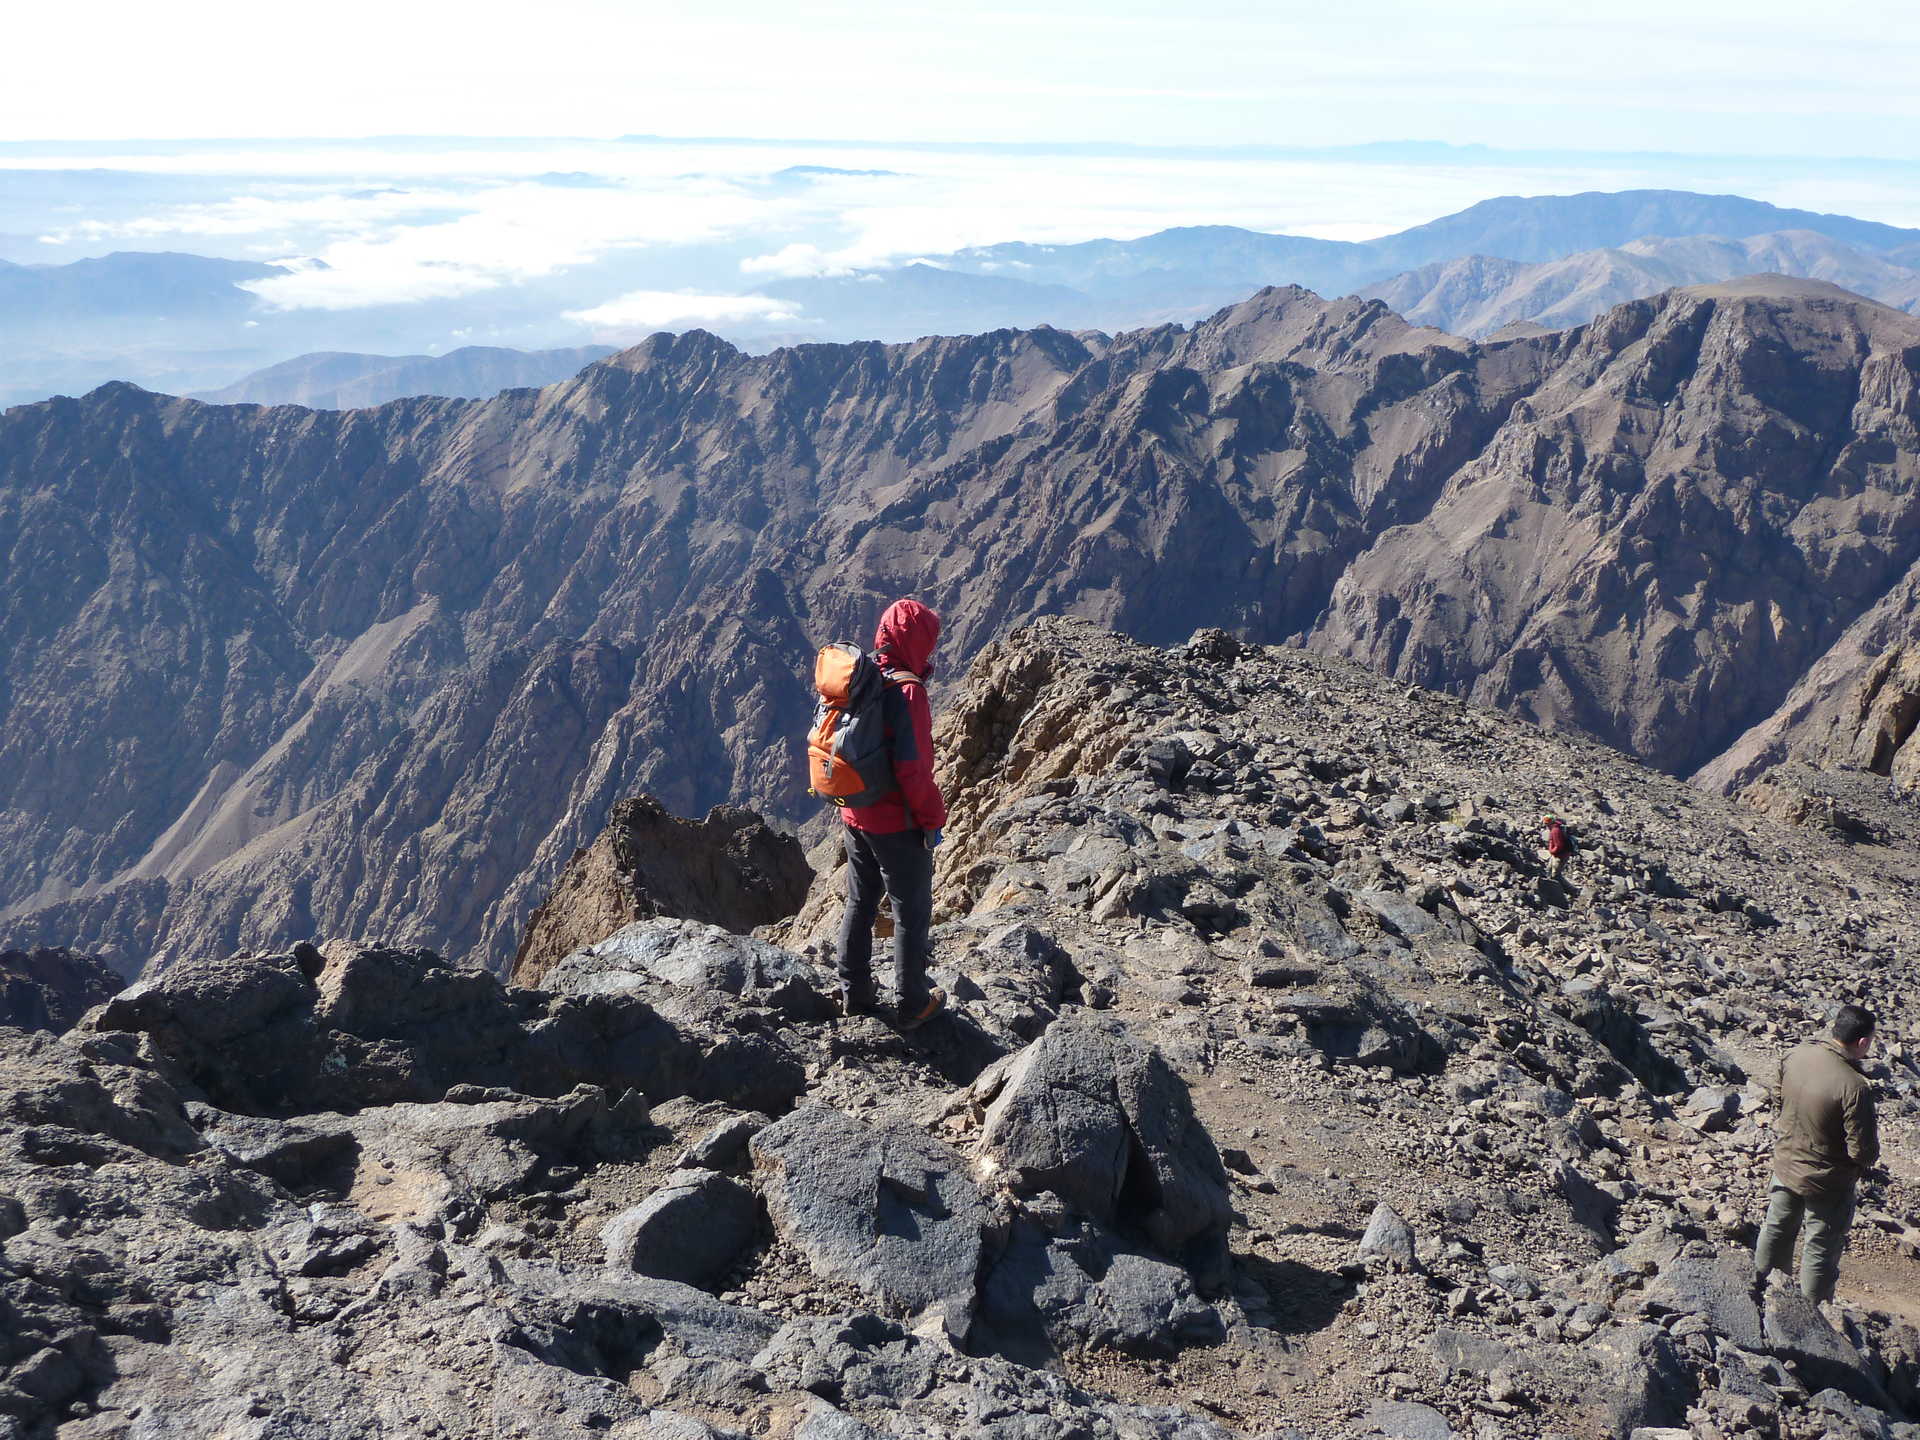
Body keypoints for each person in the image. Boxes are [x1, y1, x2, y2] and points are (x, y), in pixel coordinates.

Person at [835, 598, 948, 1028]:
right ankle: (911, 1002)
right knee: (910, 912)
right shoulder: (907, 690)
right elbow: (912, 770)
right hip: (894, 823)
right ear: (916, 640)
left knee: (859, 903)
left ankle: (854, 995)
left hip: (853, 813)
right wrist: (932, 819)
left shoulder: (860, 675)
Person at [1754, 1004, 1880, 1302]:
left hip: (1786, 1164)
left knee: (1776, 1229)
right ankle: (1815, 1314)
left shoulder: (1796, 1054)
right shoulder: (1854, 1086)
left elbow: (1777, 1100)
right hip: (1827, 1182)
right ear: (1862, 1042)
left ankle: (1762, 1291)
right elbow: (1862, 1150)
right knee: (1820, 1248)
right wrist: (1863, 1165)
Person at [1541, 814, 1572, 879]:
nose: (1545, 825)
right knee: (1549, 869)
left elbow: (1558, 845)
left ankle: (1571, 889)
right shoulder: (1556, 828)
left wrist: (1552, 851)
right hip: (1557, 854)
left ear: (1550, 823)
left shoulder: (1555, 831)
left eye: (1546, 823)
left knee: (1555, 875)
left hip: (1560, 855)